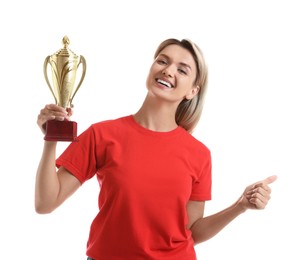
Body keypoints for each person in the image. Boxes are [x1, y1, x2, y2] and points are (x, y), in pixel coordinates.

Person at [35, 38, 277, 260]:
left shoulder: (199, 154)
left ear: (193, 90)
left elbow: (191, 232)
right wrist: (51, 139)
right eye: (162, 61)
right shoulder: (102, 134)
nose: (168, 70)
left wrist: (240, 206)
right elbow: (45, 203)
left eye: (182, 70)